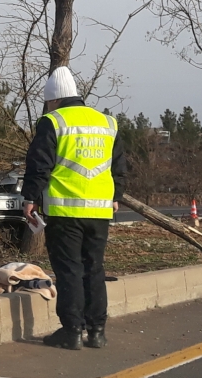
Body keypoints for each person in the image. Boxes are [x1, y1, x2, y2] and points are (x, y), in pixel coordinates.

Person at [21, 66, 126, 350]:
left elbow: (39, 164)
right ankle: (97, 331)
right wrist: (116, 195)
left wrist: (29, 198)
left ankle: (72, 331)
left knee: (69, 270)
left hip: (65, 211)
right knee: (94, 269)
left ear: (54, 99)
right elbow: (119, 166)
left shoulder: (53, 121)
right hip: (100, 211)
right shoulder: (107, 122)